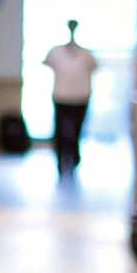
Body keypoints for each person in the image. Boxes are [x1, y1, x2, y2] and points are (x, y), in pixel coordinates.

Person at [43, 20, 99, 177]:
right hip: (61, 96)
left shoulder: (86, 54)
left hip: (81, 97)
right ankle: (60, 159)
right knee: (60, 129)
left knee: (77, 130)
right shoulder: (55, 52)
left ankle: (74, 157)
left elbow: (94, 67)